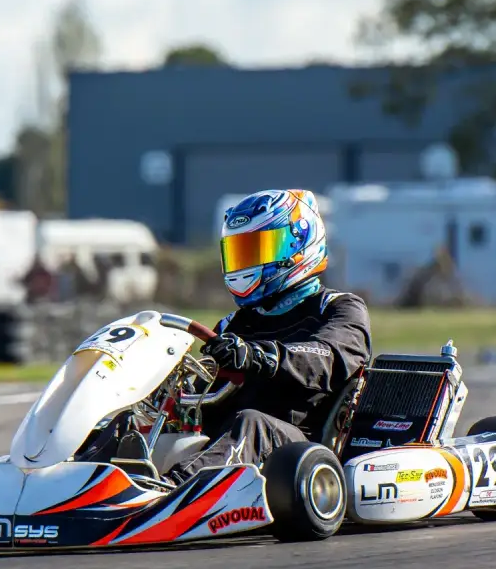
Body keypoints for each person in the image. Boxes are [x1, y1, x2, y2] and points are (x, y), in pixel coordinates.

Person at [81, 189, 371, 485]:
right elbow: (205, 388)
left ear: (298, 244)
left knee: (251, 421)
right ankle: (77, 484)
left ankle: (174, 490)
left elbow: (327, 358)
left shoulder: (339, 308)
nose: (246, 263)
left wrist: (259, 355)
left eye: (258, 251)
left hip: (294, 445)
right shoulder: (235, 323)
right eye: (240, 252)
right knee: (127, 423)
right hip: (226, 438)